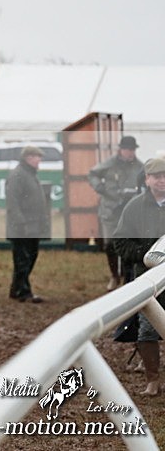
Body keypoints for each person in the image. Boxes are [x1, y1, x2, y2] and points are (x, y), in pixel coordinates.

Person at [112, 157, 165, 396]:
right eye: (156, 176)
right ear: (147, 179)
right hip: (147, 280)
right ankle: (153, 380)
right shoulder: (134, 207)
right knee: (147, 331)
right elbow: (120, 242)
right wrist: (147, 255)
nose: (162, 181)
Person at [88, 135, 144, 290]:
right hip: (110, 210)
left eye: (132, 150)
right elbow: (92, 174)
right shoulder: (109, 164)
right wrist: (100, 187)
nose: (130, 153)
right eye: (127, 149)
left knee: (129, 244)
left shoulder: (139, 166)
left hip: (129, 212)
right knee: (110, 244)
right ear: (121, 149)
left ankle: (128, 277)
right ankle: (114, 275)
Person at [6, 145, 51, 303]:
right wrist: (21, 223)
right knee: (23, 259)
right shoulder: (18, 175)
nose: (39, 160)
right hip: (22, 227)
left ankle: (17, 289)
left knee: (29, 257)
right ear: (28, 158)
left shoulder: (30, 174)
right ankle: (23, 291)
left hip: (32, 226)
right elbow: (13, 202)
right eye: (37, 157)